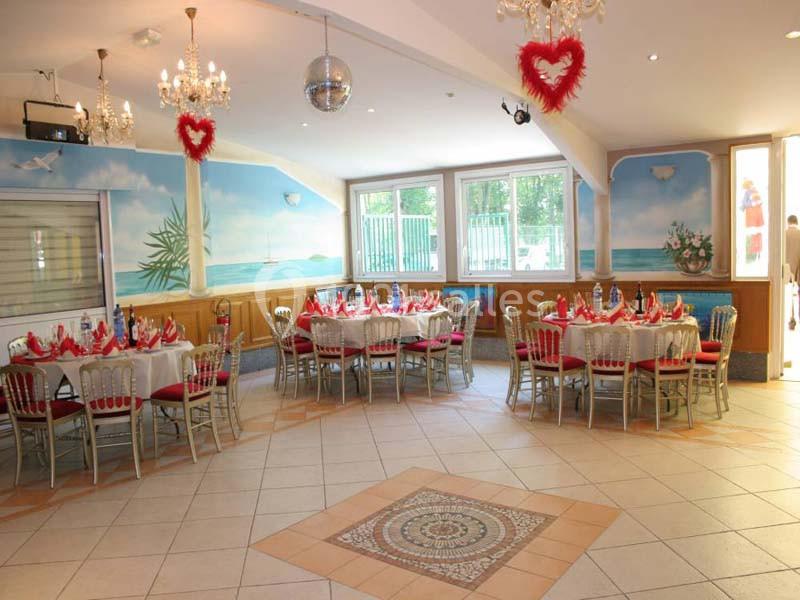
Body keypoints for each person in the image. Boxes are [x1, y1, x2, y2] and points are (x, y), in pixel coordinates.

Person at [787, 215, 800, 283]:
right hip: (797, 274)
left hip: (785, 274)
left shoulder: (783, 234)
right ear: (797, 223)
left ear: (788, 222)